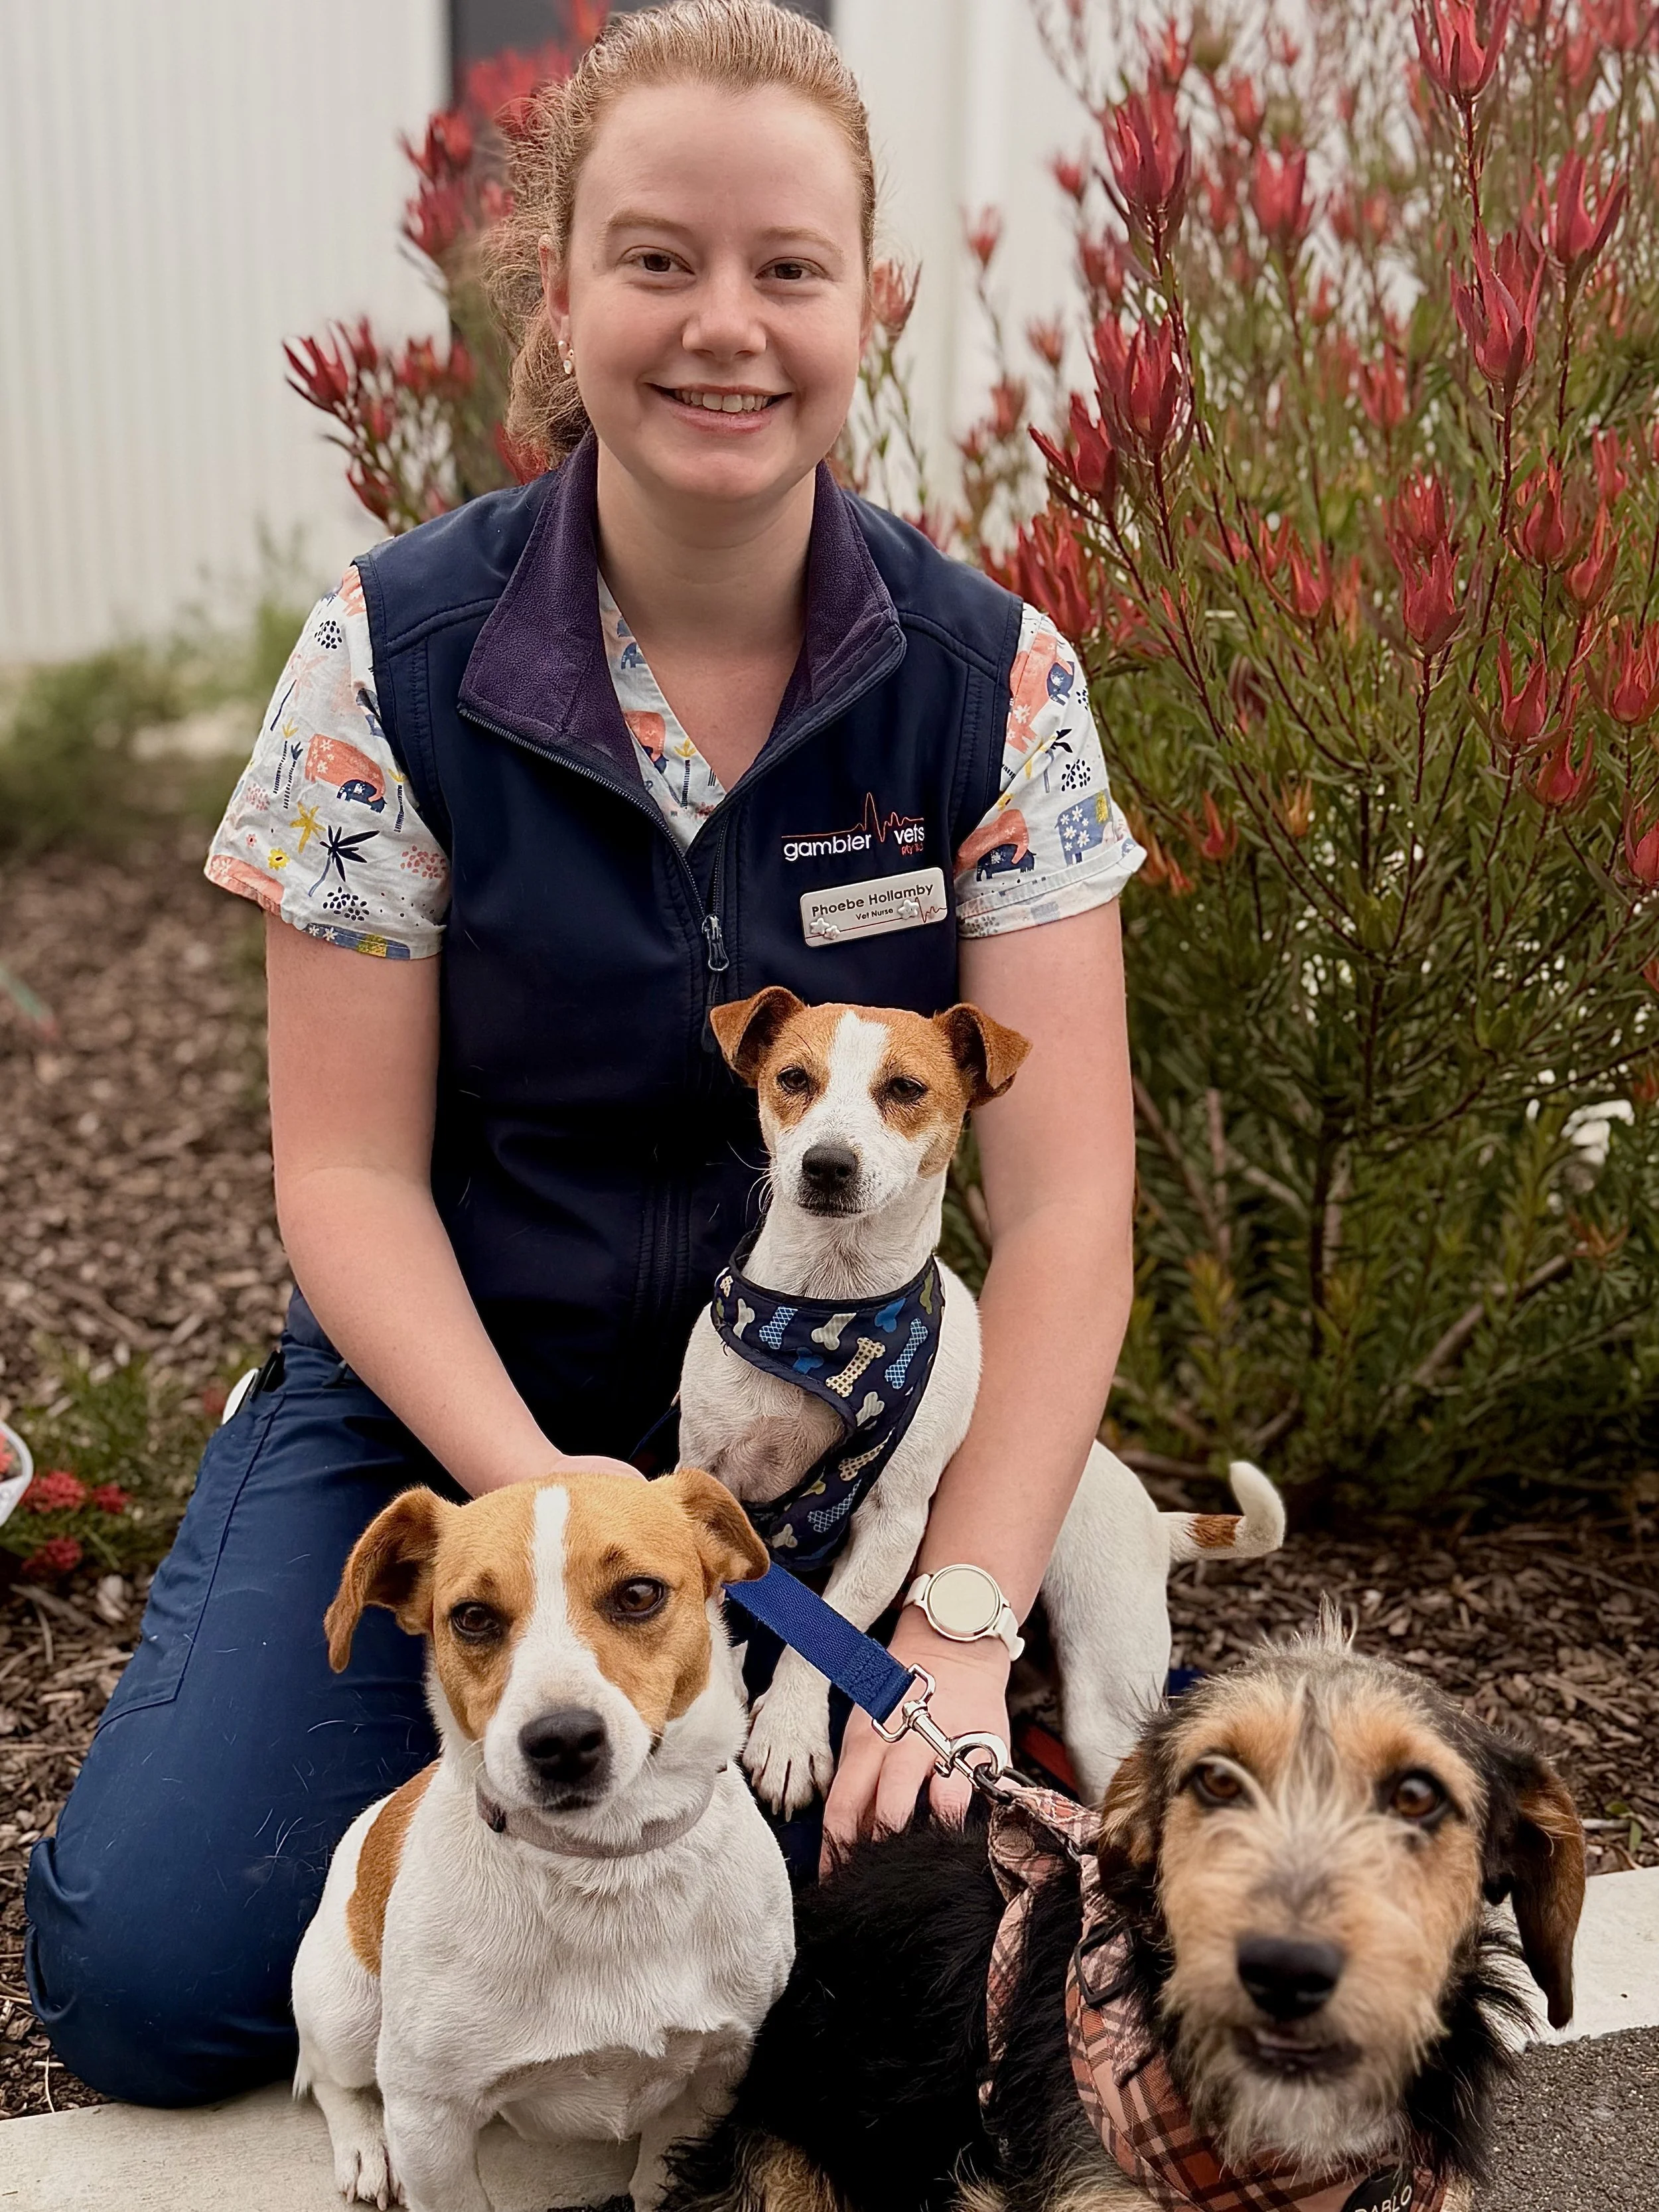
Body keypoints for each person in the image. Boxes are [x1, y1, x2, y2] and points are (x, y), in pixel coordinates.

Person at [26, 0, 1139, 2108]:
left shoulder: (996, 685)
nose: (725, 324)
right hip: (460, 1401)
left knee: (890, 1961)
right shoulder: (395, 658)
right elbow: (344, 1174)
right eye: (657, 258)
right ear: (563, 294)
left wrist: (966, 1618)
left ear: (868, 300)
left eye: (788, 268)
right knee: (163, 1971)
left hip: (830, 1439)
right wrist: (545, 1532)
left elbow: (1073, 1192)